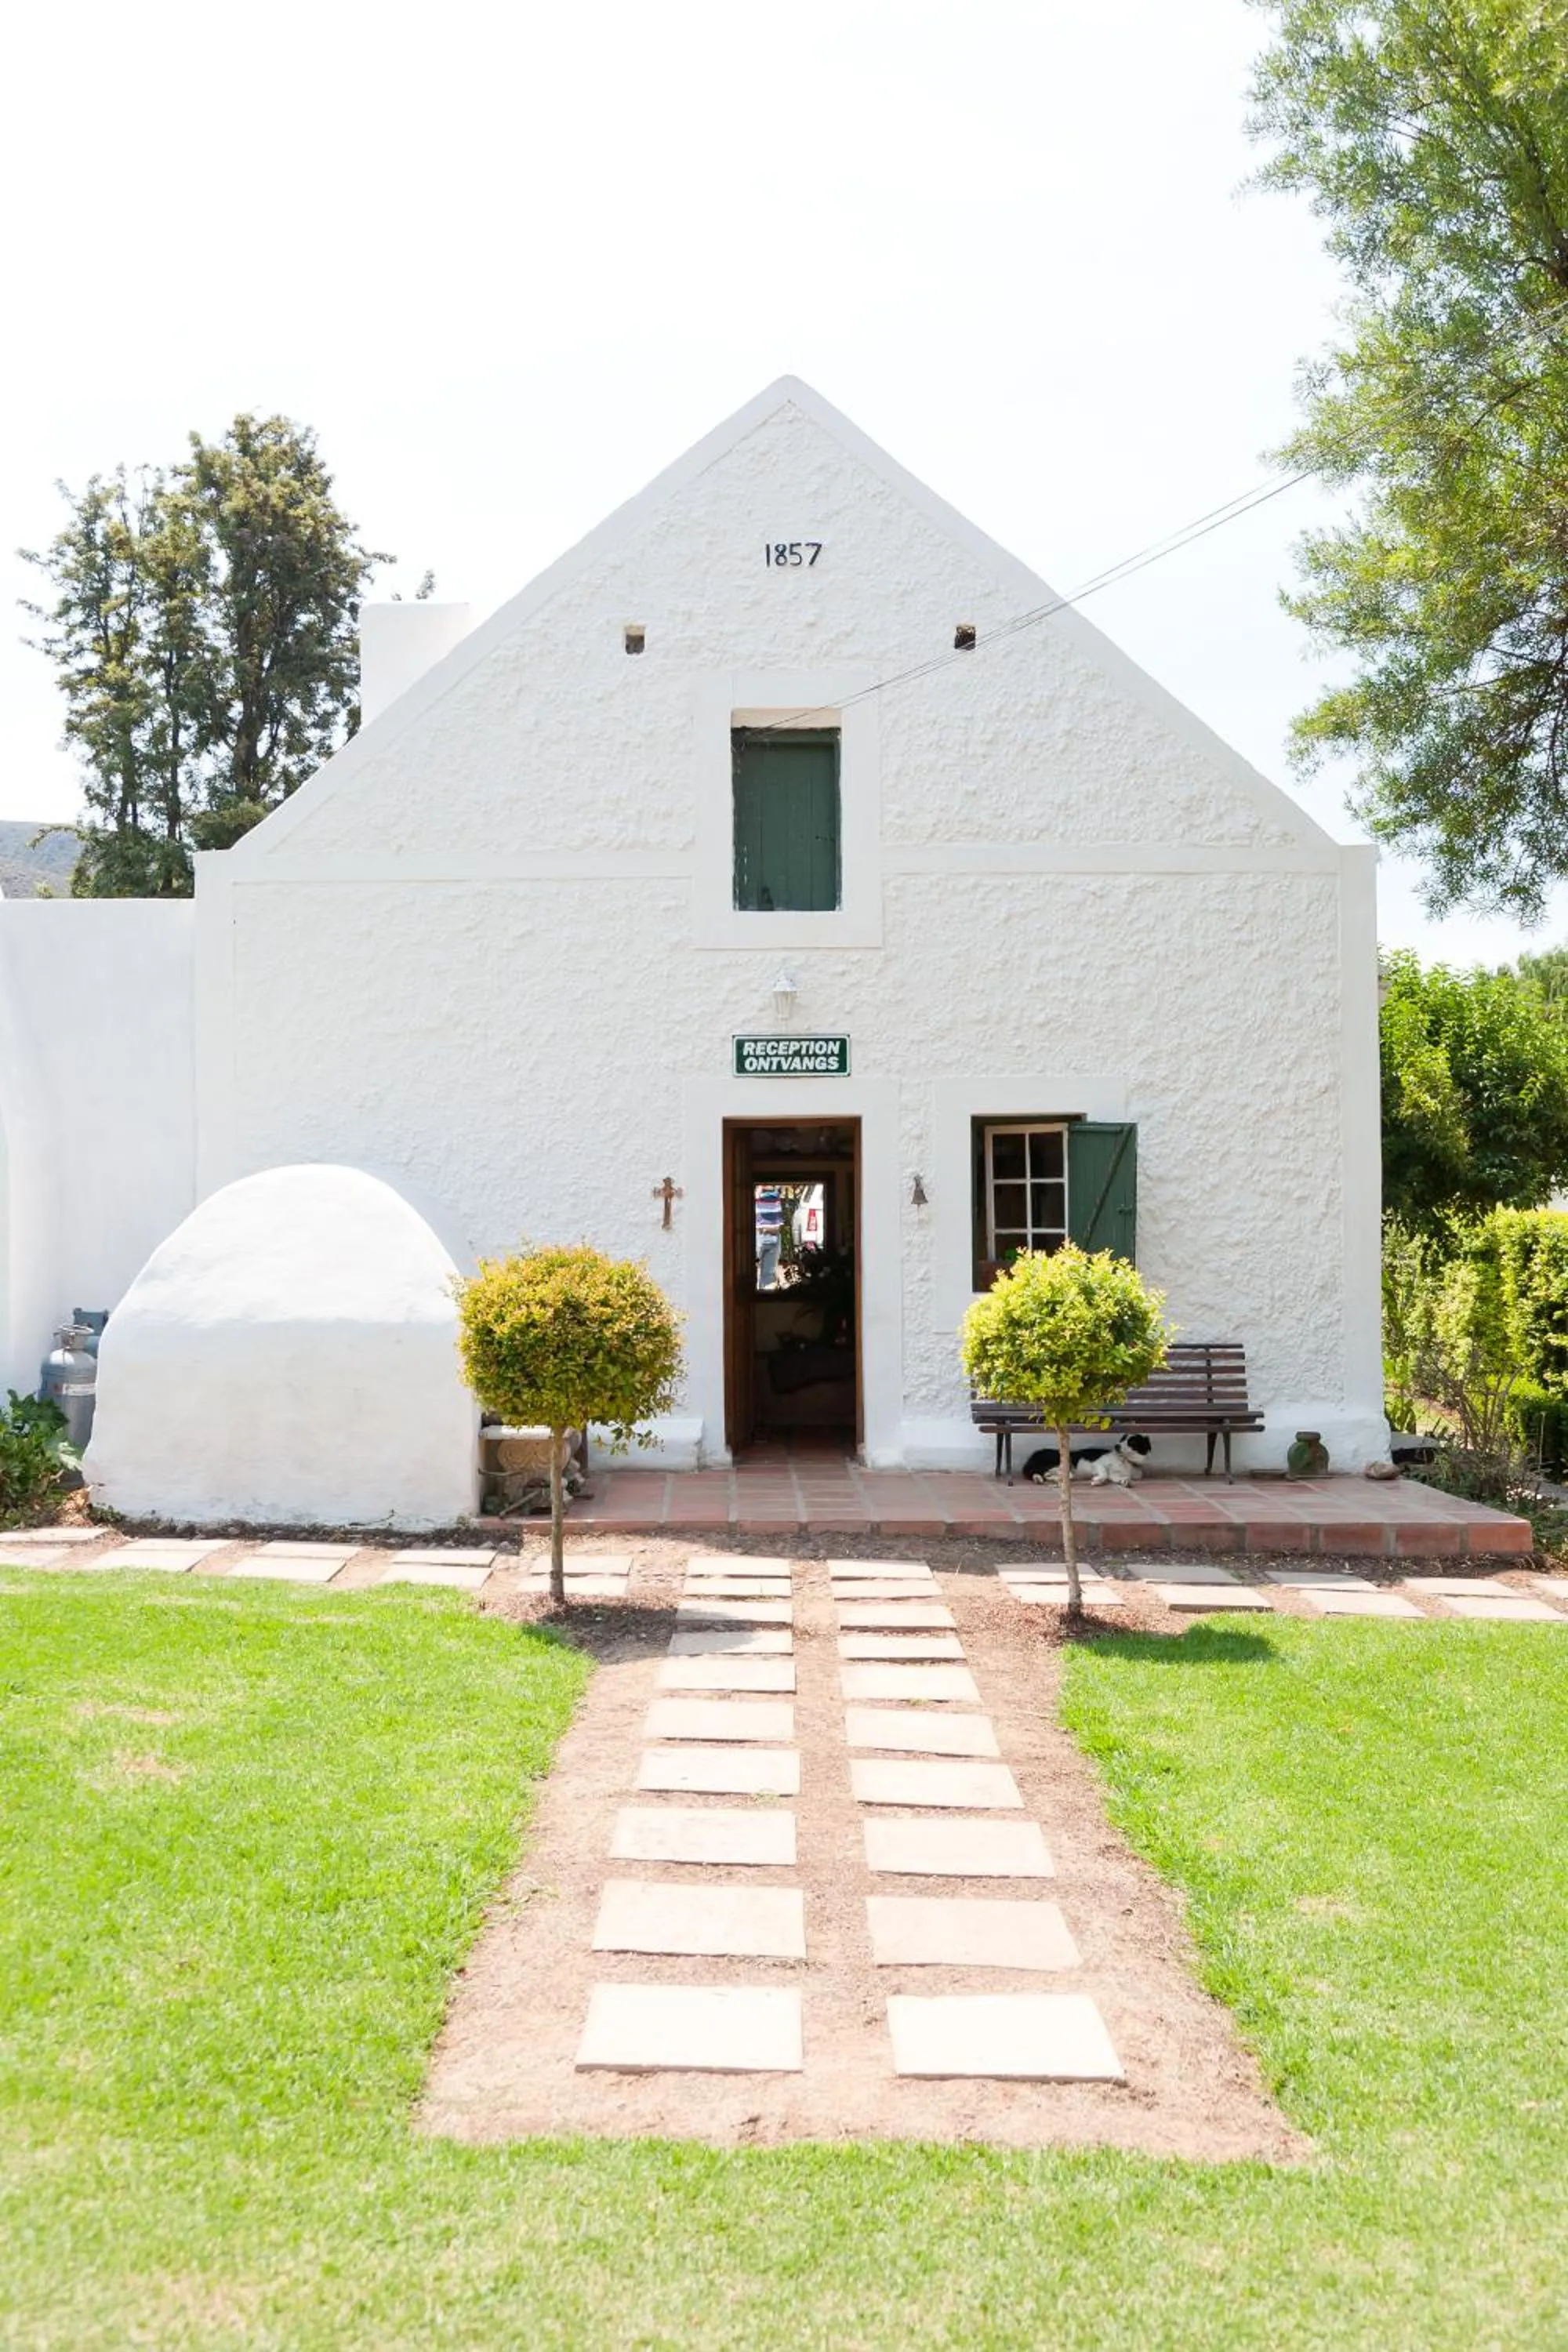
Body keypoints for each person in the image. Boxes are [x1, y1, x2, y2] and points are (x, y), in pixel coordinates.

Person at [755, 1185, 785, 1288]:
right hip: (760, 1235)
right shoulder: (757, 1190)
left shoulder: (776, 1191)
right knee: (752, 1274)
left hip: (774, 1235)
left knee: (768, 1277)